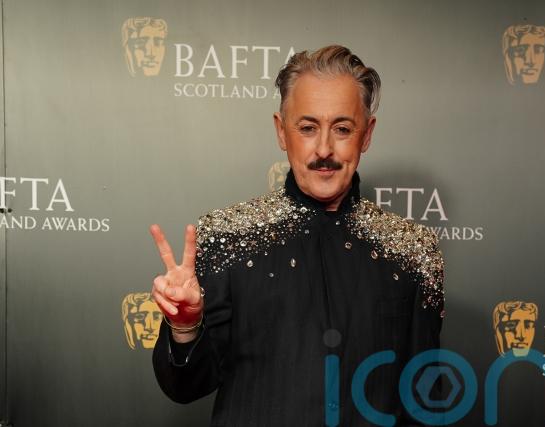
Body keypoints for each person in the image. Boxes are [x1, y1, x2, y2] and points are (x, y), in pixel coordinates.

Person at [150, 45, 445, 426]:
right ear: (281, 131)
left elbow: (424, 399)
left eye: (342, 129)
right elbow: (185, 387)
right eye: (307, 128)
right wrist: (185, 326)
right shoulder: (227, 238)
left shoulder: (413, 250)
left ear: (367, 134)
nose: (324, 149)